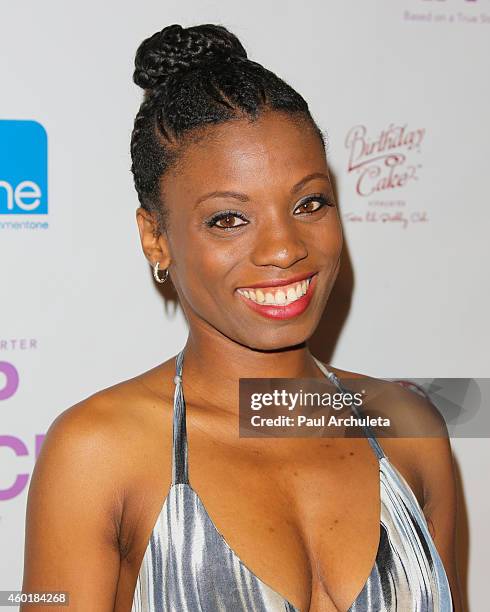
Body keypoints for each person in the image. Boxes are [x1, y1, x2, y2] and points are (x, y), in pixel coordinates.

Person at [21, 23, 463, 612]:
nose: (284, 248)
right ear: (156, 238)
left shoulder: (411, 428)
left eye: (310, 202)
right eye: (229, 218)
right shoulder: (99, 451)